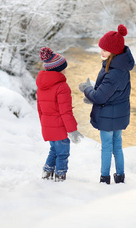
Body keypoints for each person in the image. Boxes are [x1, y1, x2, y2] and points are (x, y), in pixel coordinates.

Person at [79, 24, 134, 184]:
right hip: (119, 114)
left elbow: (100, 97)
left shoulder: (114, 72)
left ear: (113, 51)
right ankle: (120, 176)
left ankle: (104, 178)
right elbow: (111, 92)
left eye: (104, 49)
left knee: (107, 147)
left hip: (108, 116)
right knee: (117, 145)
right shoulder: (121, 67)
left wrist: (87, 89)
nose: (101, 52)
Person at [36, 47, 84, 182]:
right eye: (64, 68)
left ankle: (47, 172)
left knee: (53, 150)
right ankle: (60, 177)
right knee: (62, 153)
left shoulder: (41, 86)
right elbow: (66, 111)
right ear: (59, 69)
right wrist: (72, 130)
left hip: (48, 126)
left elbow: (40, 110)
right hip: (60, 127)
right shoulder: (62, 87)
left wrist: (44, 125)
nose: (65, 70)